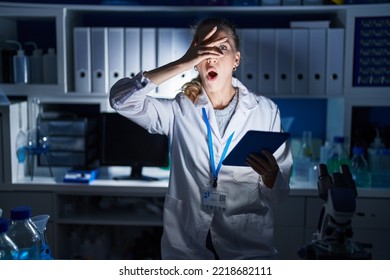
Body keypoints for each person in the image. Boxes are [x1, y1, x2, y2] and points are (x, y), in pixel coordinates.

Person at [110, 17, 293, 260]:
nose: (212, 56)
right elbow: (121, 101)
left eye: (222, 48)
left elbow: (279, 194)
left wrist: (271, 178)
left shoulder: (266, 112)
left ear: (236, 59)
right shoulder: (179, 111)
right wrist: (181, 63)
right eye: (203, 48)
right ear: (195, 60)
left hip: (247, 251)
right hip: (187, 250)